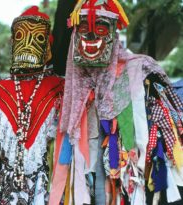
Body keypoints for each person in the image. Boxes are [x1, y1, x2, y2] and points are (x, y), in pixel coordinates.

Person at [49, 0, 183, 204]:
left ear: (113, 32)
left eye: (101, 28)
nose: (91, 36)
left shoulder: (141, 73)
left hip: (131, 180)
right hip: (88, 183)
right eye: (84, 28)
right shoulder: (72, 88)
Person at [0, 6, 64, 205]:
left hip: (50, 193)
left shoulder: (62, 89)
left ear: (47, 47)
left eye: (38, 39)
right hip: (5, 195)